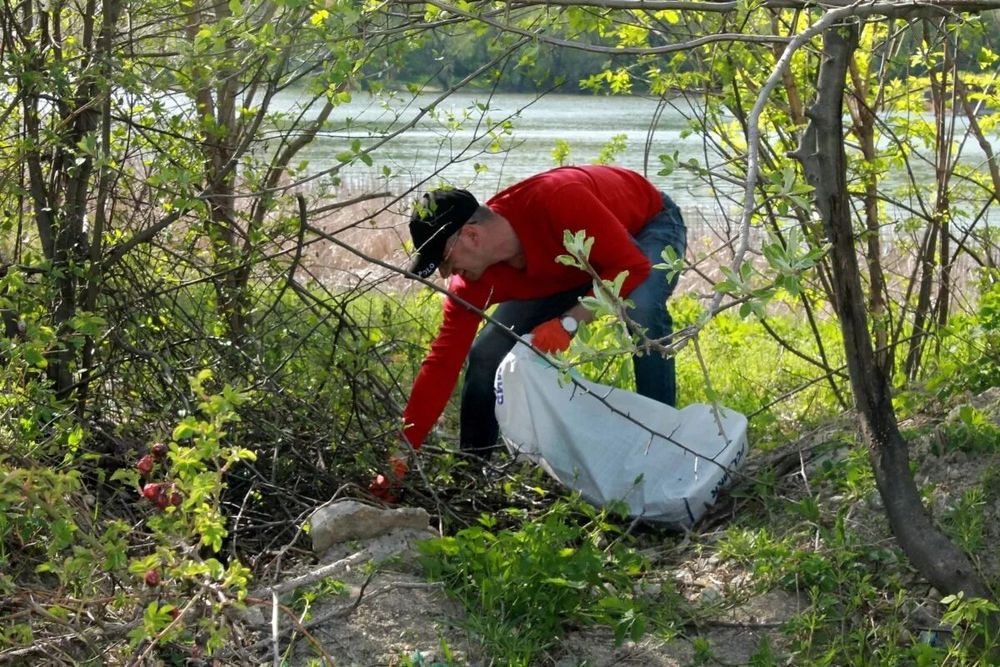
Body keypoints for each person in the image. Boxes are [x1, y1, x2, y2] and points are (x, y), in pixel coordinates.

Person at [369, 165, 686, 500]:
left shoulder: (557, 201)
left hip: (646, 226)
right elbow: (442, 363)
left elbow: (632, 265)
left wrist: (569, 322)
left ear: (472, 236)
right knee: (487, 353)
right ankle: (472, 478)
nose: (447, 273)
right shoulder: (471, 281)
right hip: (569, 266)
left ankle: (661, 446)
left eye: (445, 261)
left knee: (643, 304)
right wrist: (400, 454)